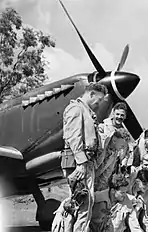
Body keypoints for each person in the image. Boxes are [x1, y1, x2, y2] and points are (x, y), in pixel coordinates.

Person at [59, 82, 107, 232]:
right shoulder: (76, 109)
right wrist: (81, 163)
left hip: (85, 162)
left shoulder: (86, 111)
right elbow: (73, 137)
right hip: (79, 163)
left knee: (81, 204)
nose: (98, 104)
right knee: (82, 205)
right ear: (91, 94)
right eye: (98, 100)